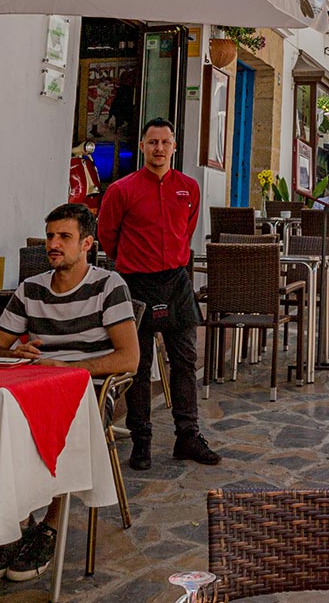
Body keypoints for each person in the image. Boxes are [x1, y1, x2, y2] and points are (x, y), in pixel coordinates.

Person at [0, 202, 140, 581]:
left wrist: (69, 369)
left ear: (87, 243)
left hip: (90, 392)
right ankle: (16, 523)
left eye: (64, 237)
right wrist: (15, 350)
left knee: (58, 427)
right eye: (51, 236)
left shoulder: (108, 286)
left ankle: (50, 525)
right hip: (37, 386)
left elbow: (129, 358)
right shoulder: (31, 289)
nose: (54, 244)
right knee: (2, 424)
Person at [96, 117, 220, 470]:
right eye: (153, 142)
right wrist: (134, 260)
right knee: (138, 364)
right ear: (142, 146)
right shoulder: (122, 189)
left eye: (165, 143)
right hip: (136, 284)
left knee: (184, 361)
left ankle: (188, 436)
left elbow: (188, 228)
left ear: (174, 147)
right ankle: (141, 441)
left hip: (176, 281)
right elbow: (108, 236)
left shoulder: (188, 188)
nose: (159, 148)